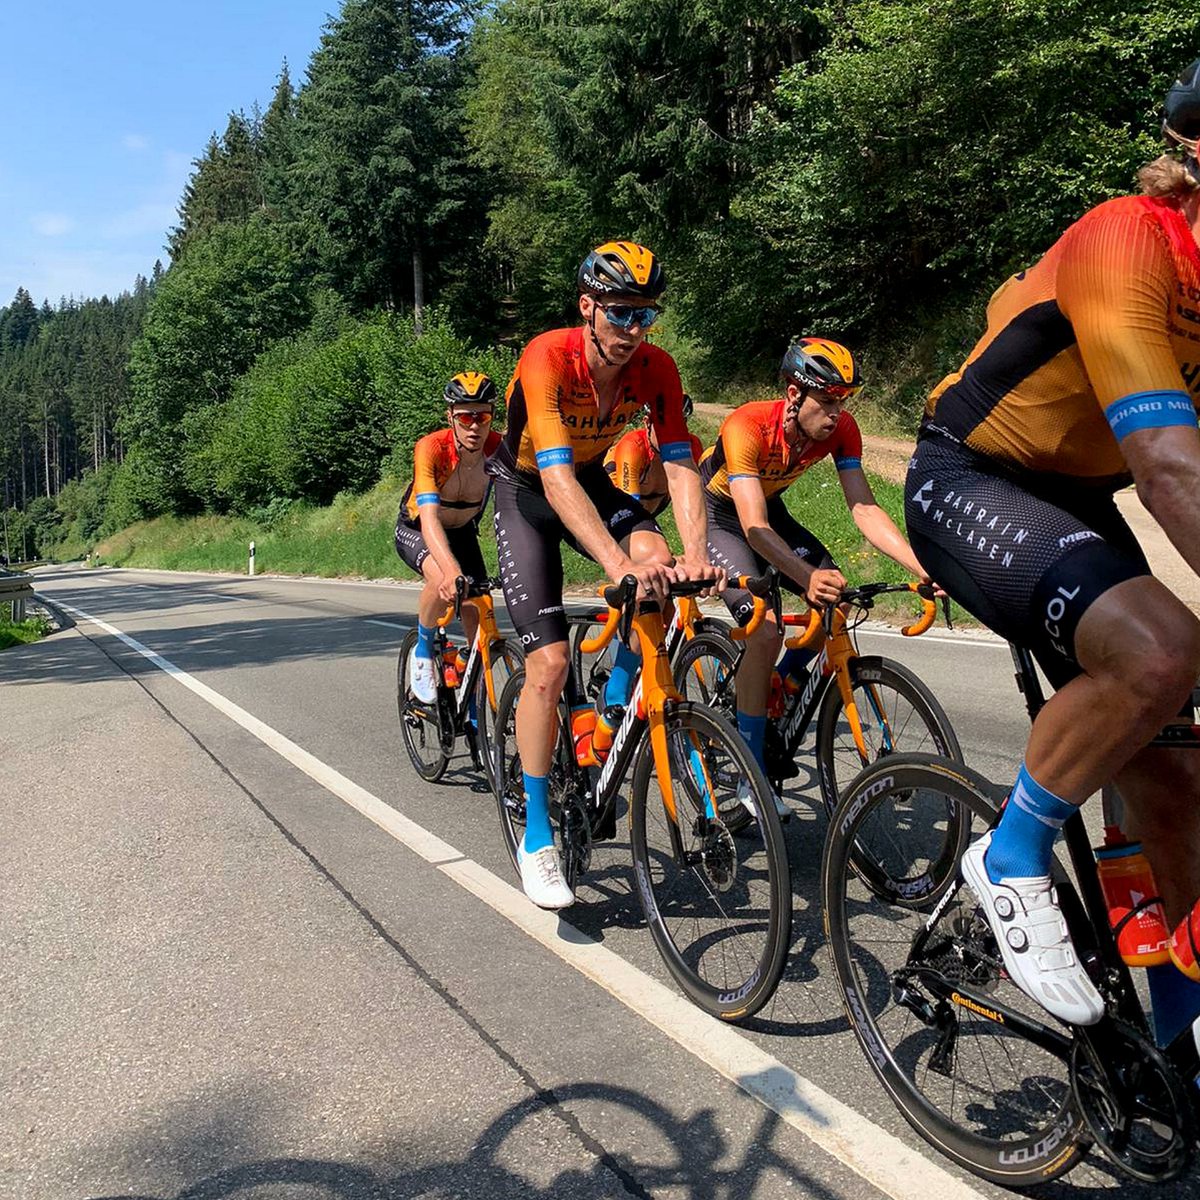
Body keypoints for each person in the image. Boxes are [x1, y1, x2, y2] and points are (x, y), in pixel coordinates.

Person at [903, 61, 1200, 1034]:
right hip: (971, 481)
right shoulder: (1131, 241)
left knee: (1175, 778)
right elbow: (1169, 468)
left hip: (1081, 500)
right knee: (1160, 648)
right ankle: (1014, 852)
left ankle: (1175, 1046)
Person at [490, 240, 721, 909]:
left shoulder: (656, 369)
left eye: (644, 316)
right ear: (587, 307)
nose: (632, 330)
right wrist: (615, 564)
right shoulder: (547, 357)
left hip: (589, 479)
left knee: (661, 572)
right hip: (527, 490)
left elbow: (680, 465)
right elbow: (556, 478)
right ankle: (537, 837)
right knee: (550, 664)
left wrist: (695, 554)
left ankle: (616, 704)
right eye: (619, 313)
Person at [701, 338, 933, 819]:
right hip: (722, 517)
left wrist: (921, 567)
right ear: (793, 395)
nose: (836, 413)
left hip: (771, 510)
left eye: (842, 401)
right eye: (826, 401)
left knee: (839, 599)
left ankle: (781, 685)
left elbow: (864, 508)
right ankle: (750, 770)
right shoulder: (747, 425)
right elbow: (753, 527)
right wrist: (805, 576)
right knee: (764, 630)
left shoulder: (841, 430)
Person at [395, 372, 501, 703]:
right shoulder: (432, 448)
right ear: (450, 417)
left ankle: (474, 696)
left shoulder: (500, 449)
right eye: (465, 417)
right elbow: (428, 518)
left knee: (479, 607)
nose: (474, 426)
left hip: (463, 531)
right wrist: (451, 569)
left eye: (482, 416)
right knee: (444, 578)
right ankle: (424, 652)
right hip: (417, 529)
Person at [604, 395, 704, 515]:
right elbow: (629, 508)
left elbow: (695, 499)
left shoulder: (692, 446)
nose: (670, 434)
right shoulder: (633, 445)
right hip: (614, 493)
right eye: (662, 426)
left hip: (655, 498)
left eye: (677, 426)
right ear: (647, 423)